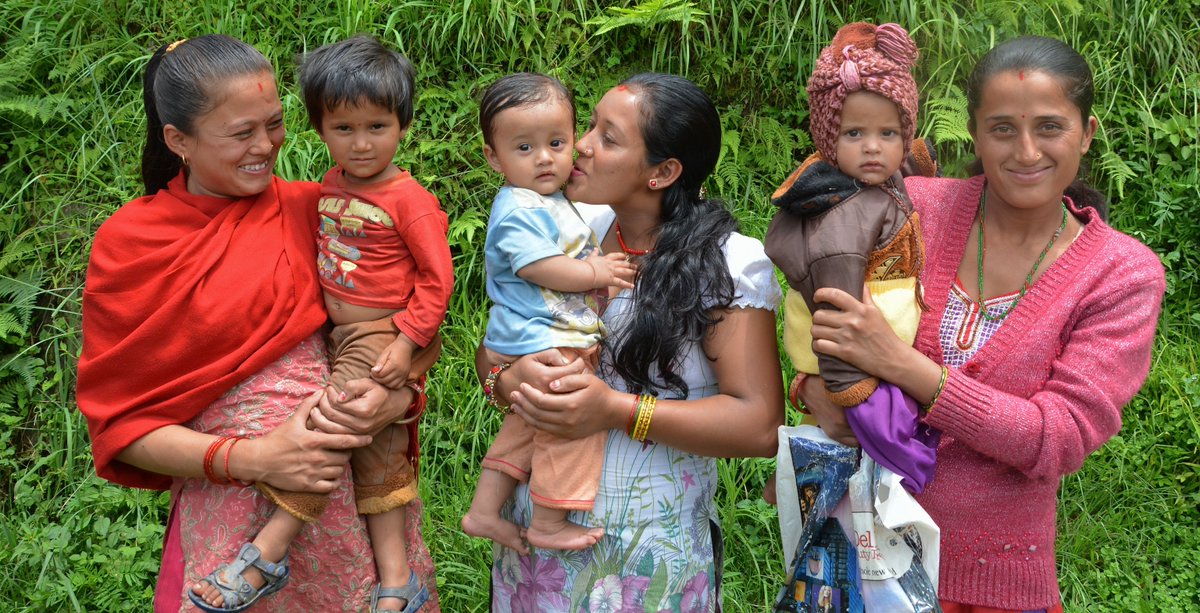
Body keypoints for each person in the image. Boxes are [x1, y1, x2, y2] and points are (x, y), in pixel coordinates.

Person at [795, 36, 1165, 612]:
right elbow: (817, 303)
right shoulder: (915, 207)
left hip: (992, 586)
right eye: (1001, 129)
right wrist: (814, 389)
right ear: (974, 132)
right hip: (858, 555)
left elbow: (1054, 438)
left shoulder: (1120, 274)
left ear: (1087, 132)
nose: (1025, 151)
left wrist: (902, 367)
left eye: (1049, 127)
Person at [75, 34, 442, 612]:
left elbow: (390, 326)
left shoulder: (317, 209)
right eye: (241, 133)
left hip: (353, 497)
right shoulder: (132, 244)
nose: (266, 146)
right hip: (238, 518)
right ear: (179, 141)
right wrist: (255, 458)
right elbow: (121, 425)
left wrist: (394, 400)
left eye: (273, 124)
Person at [480, 73, 785, 611]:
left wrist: (616, 411)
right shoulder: (565, 229)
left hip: (652, 554)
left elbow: (759, 424)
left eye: (609, 137)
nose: (581, 145)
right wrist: (508, 379)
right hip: (534, 541)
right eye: (591, 125)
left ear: (663, 172)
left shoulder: (726, 264)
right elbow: (500, 339)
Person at [185, 35, 452, 613]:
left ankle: (265, 555)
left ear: (403, 125)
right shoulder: (330, 188)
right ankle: (397, 584)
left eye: (377, 127)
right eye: (343, 129)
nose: (361, 144)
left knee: (330, 423)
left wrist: (406, 347)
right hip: (341, 337)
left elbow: (437, 282)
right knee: (374, 450)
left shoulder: (410, 200)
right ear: (320, 128)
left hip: (378, 333)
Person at [460, 73, 636, 553]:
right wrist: (596, 271)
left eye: (557, 142)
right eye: (524, 148)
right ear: (492, 157)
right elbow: (539, 267)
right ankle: (549, 520)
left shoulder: (551, 200)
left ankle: (482, 510)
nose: (545, 157)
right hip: (545, 340)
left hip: (536, 339)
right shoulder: (519, 207)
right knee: (568, 427)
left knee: (525, 426)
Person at [764, 21, 940, 493]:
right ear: (828, 140)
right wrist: (849, 394)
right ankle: (911, 470)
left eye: (888, 133)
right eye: (854, 134)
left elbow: (898, 163)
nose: (872, 148)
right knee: (890, 444)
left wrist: (917, 159)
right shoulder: (847, 214)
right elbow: (838, 310)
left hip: (873, 360)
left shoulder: (871, 185)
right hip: (850, 367)